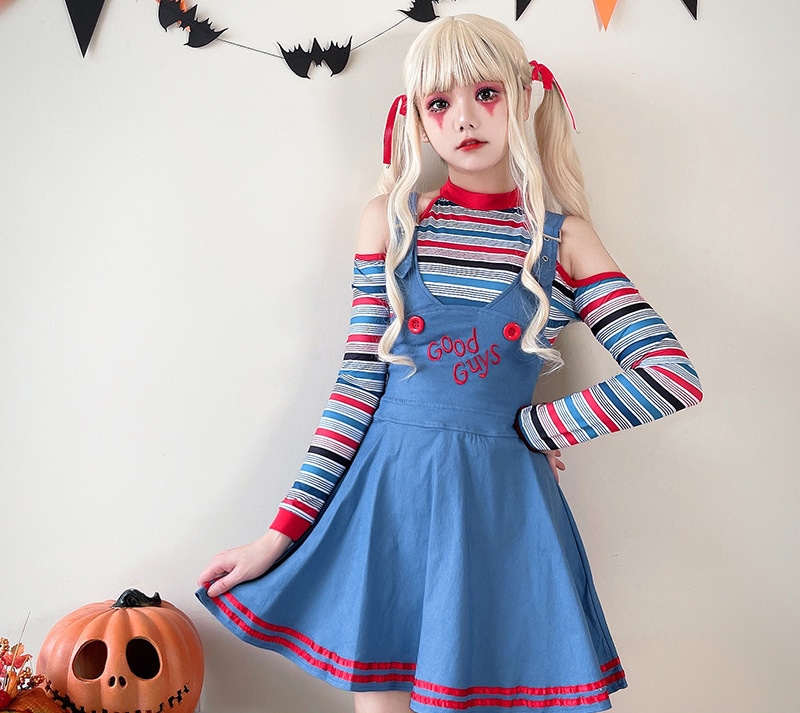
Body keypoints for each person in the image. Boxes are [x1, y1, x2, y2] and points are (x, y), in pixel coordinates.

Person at [197, 14, 703, 713]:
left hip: (499, 510)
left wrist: (537, 428)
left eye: (485, 94)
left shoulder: (563, 241)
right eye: (440, 102)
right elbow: (355, 387)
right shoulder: (392, 221)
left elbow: (669, 376)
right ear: (417, 118)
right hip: (386, 501)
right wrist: (277, 534)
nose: (464, 117)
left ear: (523, 97)